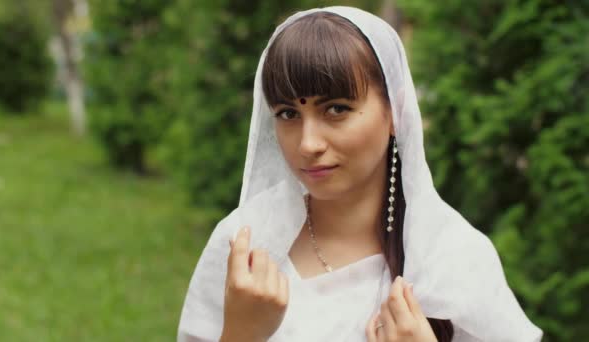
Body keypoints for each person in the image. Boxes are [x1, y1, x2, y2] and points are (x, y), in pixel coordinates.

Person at [177, 6, 544, 342]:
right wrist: (241, 333)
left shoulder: (452, 259)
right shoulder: (245, 248)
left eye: (336, 109)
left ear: (394, 114)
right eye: (288, 113)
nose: (308, 143)